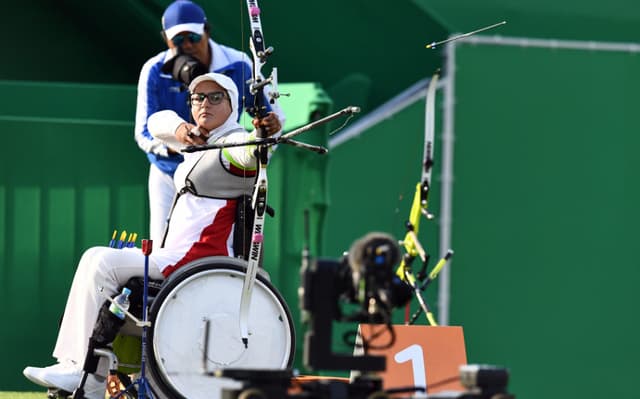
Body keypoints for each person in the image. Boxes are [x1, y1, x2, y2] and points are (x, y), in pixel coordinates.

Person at [23, 72, 276, 398]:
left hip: (198, 259)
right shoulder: (200, 139)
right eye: (198, 98)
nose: (204, 103)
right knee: (95, 258)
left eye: (216, 97)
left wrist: (262, 134)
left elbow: (248, 155)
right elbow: (157, 121)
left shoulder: (232, 141)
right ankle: (77, 369)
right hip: (177, 253)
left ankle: (85, 375)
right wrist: (183, 131)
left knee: (101, 261)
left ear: (233, 104)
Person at [135, 0, 284, 243]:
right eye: (178, 40)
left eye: (193, 36)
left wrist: (266, 135)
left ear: (207, 30)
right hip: (167, 173)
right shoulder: (154, 69)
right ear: (165, 39)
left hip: (218, 176)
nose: (188, 46)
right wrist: (181, 142)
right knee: (163, 247)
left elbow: (269, 119)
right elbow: (145, 131)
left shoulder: (238, 64)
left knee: (227, 248)